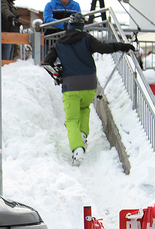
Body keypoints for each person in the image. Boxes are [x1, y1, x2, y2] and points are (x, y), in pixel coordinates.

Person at [42, 13, 135, 166]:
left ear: (69, 26)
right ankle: (83, 135)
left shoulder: (58, 43)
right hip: (90, 84)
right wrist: (123, 46)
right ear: (81, 26)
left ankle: (78, 149)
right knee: (84, 109)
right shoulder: (87, 38)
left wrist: (58, 75)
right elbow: (104, 48)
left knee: (72, 120)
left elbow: (47, 64)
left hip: (71, 86)